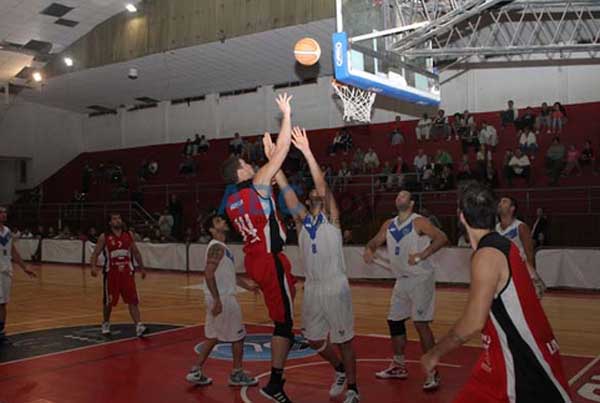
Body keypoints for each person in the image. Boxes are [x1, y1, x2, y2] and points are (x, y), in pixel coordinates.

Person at [421, 182, 571, 403]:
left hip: (524, 362)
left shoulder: (486, 255)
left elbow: (472, 323)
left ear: (461, 217)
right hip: (500, 356)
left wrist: (434, 353)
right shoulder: (506, 244)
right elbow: (538, 284)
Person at [272, 127, 360, 403]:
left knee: (344, 340)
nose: (314, 193)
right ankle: (340, 370)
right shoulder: (301, 219)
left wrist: (307, 151)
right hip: (313, 287)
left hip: (335, 284)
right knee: (312, 339)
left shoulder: (331, 218)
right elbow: (286, 192)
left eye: (318, 192)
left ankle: (354, 389)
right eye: (310, 192)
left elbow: (321, 186)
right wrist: (275, 162)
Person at [221, 93, 295, 402]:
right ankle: (275, 383)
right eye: (246, 163)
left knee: (283, 315)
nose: (251, 165)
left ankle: (277, 378)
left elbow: (270, 173)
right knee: (285, 325)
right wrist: (286, 115)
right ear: (239, 172)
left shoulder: (230, 203)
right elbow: (285, 151)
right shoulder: (256, 185)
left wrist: (269, 158)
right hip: (268, 259)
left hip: (254, 259)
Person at [363, 191, 448, 390]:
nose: (399, 197)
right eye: (398, 195)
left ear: (411, 203)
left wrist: (421, 255)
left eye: (404, 195)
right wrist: (369, 249)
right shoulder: (389, 224)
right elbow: (374, 241)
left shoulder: (419, 222)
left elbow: (442, 238)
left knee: (421, 323)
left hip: (421, 278)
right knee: (394, 321)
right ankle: (399, 366)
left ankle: (432, 372)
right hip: (401, 281)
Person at [186, 214, 259, 387]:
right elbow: (208, 273)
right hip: (223, 299)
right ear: (211, 230)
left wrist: (248, 287)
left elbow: (229, 275)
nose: (224, 221)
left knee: (213, 336)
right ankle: (236, 373)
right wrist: (218, 300)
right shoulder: (217, 247)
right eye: (218, 221)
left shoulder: (221, 247)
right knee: (238, 337)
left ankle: (195, 370)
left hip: (216, 297)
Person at [90, 213, 148, 337]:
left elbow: (136, 253)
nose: (117, 220)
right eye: (114, 219)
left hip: (127, 272)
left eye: (119, 218)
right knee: (109, 302)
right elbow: (95, 253)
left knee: (133, 300)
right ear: (110, 223)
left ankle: (138, 325)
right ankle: (106, 322)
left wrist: (142, 268)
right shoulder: (104, 237)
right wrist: (93, 267)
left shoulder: (129, 235)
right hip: (111, 273)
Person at [0, 206, 37, 343]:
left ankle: (1, 330)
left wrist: (24, 268)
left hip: (6, 270)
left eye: (4, 212)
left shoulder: (8, 231)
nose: (4, 214)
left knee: (3, 303)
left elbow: (13, 251)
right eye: (0, 212)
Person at [496, 197, 545, 298]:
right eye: (500, 202)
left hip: (519, 273)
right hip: (504, 274)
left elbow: (530, 254)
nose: (500, 204)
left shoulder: (520, 227)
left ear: (512, 208)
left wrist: (532, 279)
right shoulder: (496, 228)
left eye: (504, 202)